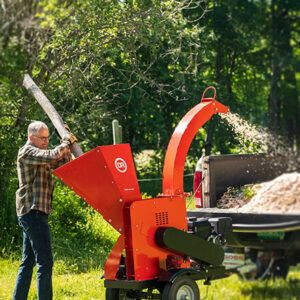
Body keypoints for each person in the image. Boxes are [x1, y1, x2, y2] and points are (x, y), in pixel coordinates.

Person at [13, 121, 76, 300]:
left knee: (29, 262)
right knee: (45, 263)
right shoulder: (27, 152)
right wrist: (64, 141)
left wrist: (68, 145)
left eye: (49, 138)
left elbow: (62, 161)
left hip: (36, 212)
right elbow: (52, 155)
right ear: (31, 137)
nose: (46, 141)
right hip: (32, 212)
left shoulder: (41, 154)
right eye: (43, 138)